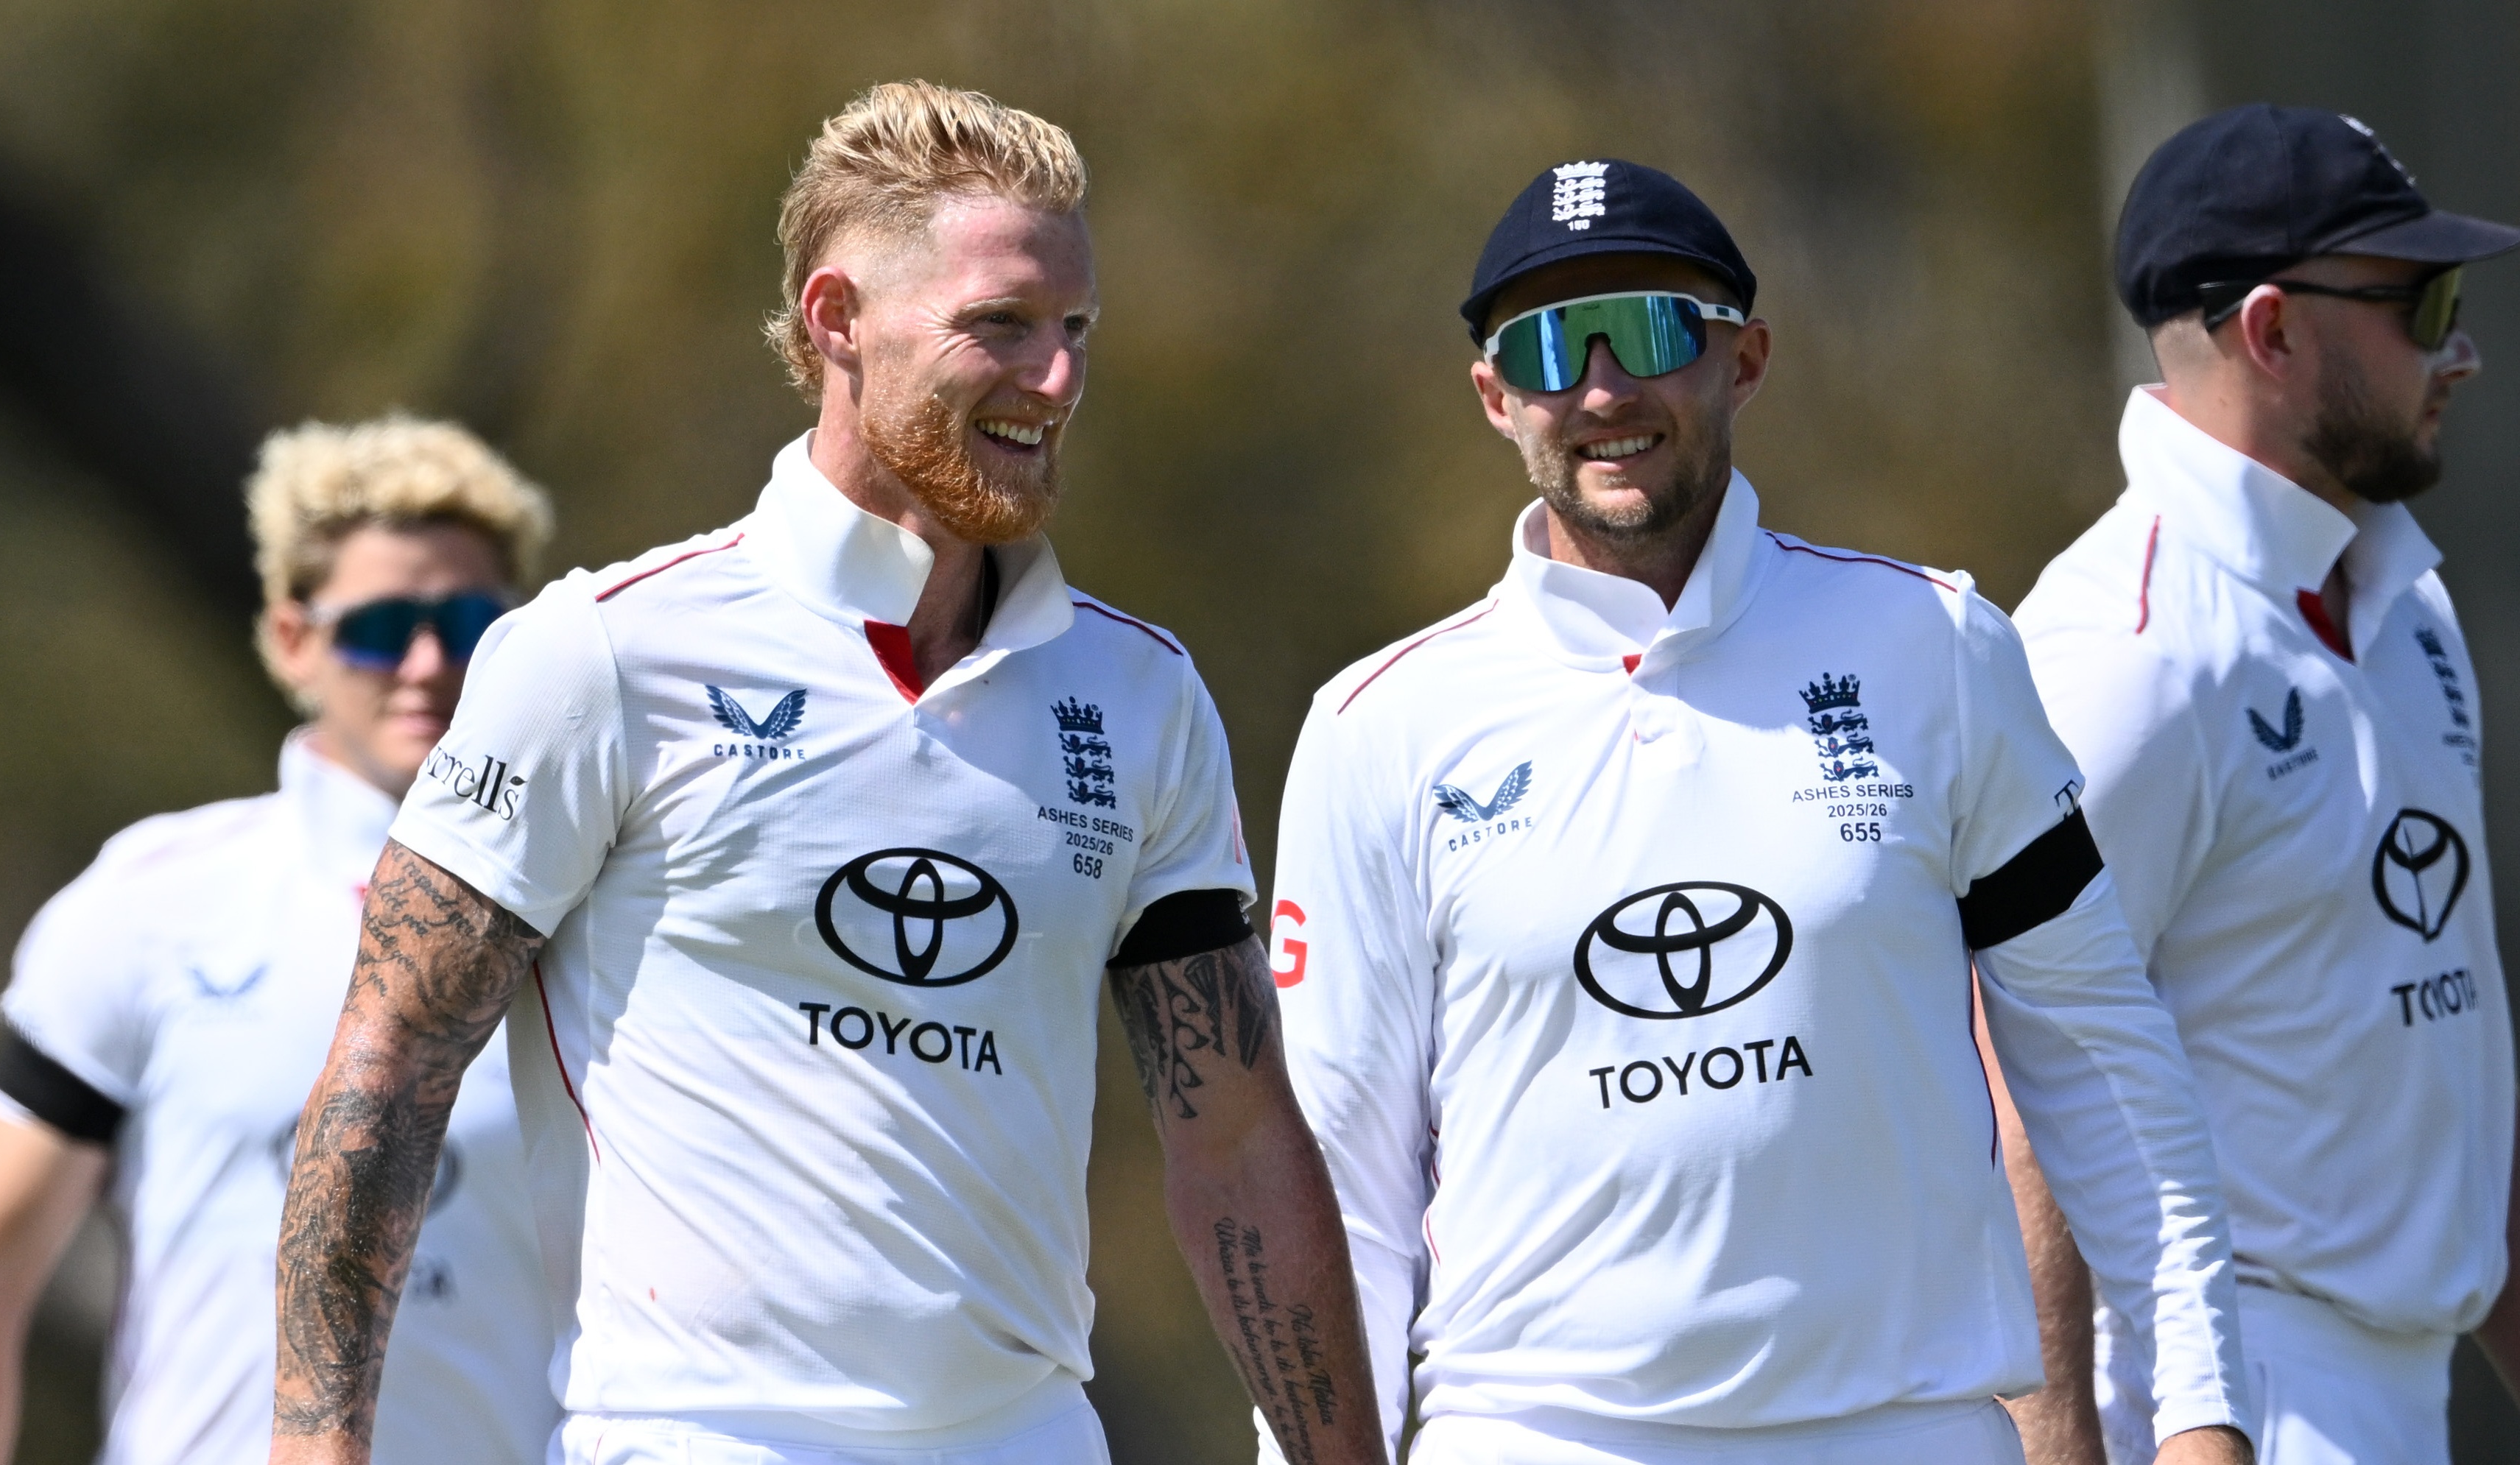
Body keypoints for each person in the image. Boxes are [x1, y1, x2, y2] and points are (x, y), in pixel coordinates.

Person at [262, 82, 1386, 1465]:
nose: (1059, 382)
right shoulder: (604, 654)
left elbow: (1231, 1136)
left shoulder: (1140, 694)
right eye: (1002, 327)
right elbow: (388, 1065)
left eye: (1075, 330)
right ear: (836, 318)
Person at [1264, 159, 2256, 1465]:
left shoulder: (1937, 643)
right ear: (1495, 396)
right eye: (1554, 345)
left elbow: (2104, 1058)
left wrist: (2199, 1411)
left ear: (1746, 357)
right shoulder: (1374, 725)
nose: (1606, 387)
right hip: (1539, 1436)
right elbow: (1343, 1190)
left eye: (1658, 327)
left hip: (1904, 1431)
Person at [2012, 104, 2520, 1465]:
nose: (2458, 346)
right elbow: (2015, 1082)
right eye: (2422, 299)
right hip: (2238, 1408)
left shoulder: (2403, 598)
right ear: (2272, 330)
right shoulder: (2126, 654)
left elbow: (2447, 1044)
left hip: (2403, 1395)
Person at [0, 417, 562, 1465]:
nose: (430, 661)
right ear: (293, 638)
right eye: (384, 623)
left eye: (471, 618)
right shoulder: (152, 902)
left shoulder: (593, 916)